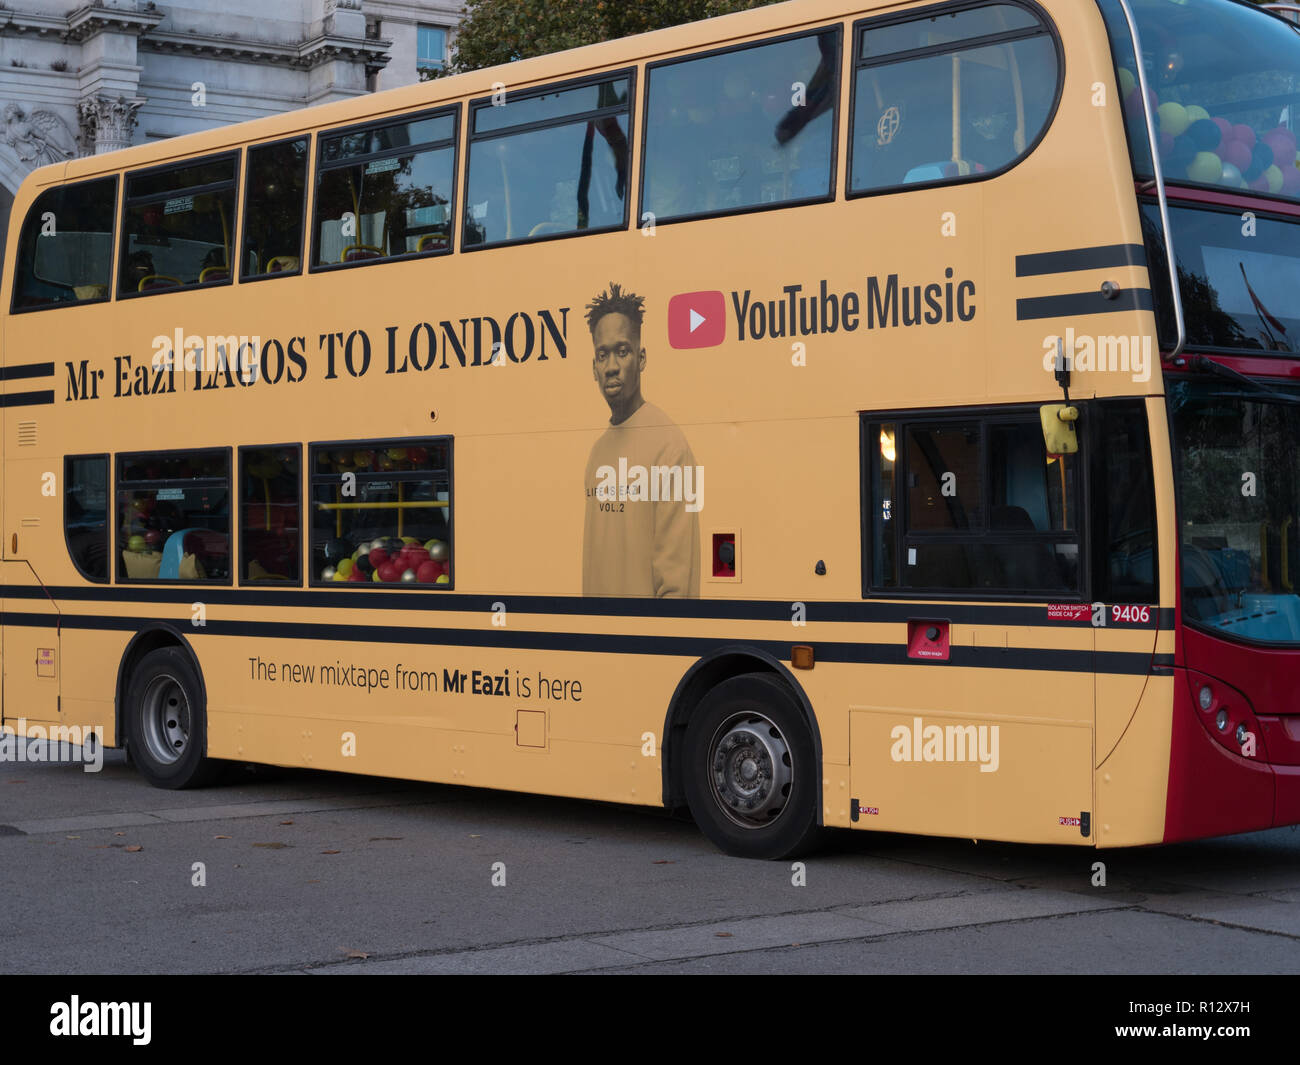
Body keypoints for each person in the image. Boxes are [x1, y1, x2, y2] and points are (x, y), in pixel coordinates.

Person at [582, 282, 700, 597]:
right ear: (594, 367)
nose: (611, 367)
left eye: (623, 351)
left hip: (645, 643)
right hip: (599, 640)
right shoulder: (597, 452)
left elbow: (679, 583)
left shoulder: (671, 446)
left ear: (642, 358)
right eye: (602, 355)